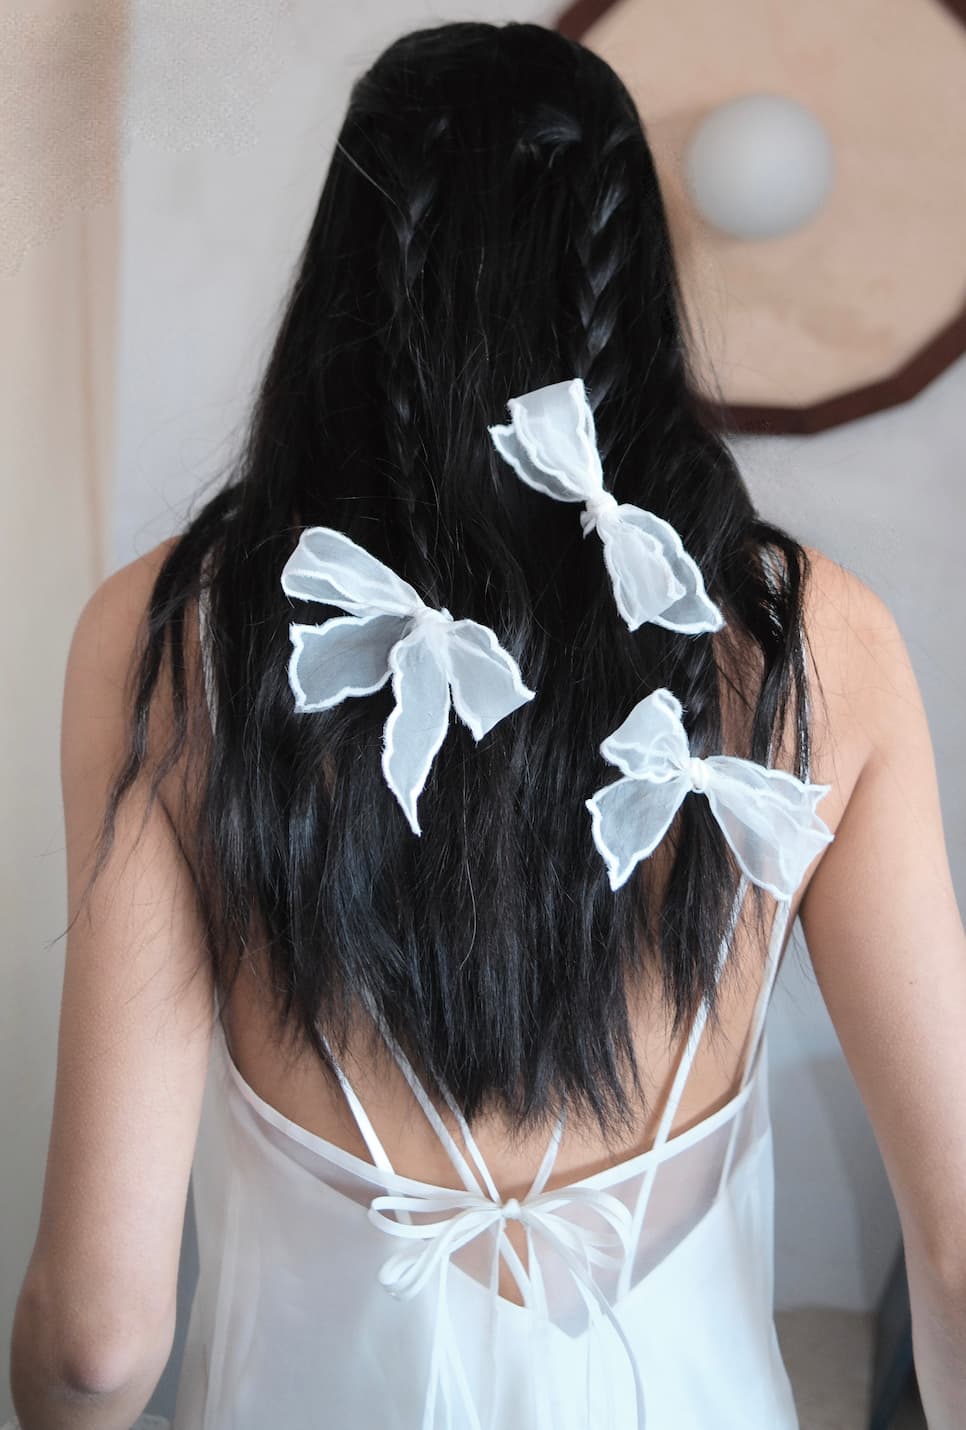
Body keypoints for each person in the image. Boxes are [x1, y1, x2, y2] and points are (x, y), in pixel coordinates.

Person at [10, 20, 966, 1430]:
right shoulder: (812, 644)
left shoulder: (177, 642)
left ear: (346, 275)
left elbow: (98, 1338)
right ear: (632, 288)